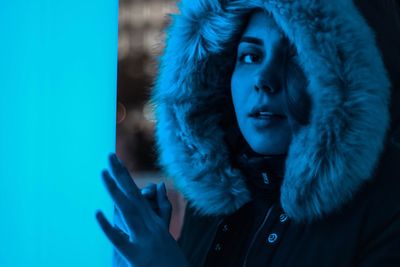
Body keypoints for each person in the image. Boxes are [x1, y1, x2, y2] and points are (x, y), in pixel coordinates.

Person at [96, 0, 400, 266]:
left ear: (347, 77)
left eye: (295, 56)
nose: (263, 79)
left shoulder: (387, 210)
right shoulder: (218, 202)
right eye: (250, 56)